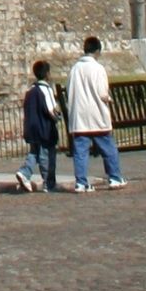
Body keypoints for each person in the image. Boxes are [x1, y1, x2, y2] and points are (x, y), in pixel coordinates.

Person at [66, 37, 125, 191]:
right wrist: (110, 100)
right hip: (97, 114)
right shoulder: (98, 69)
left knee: (80, 152)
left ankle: (81, 182)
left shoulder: (74, 69)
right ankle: (114, 177)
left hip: (79, 116)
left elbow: (69, 91)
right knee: (108, 148)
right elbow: (102, 93)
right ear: (97, 51)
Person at [14, 60, 62, 193]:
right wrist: (58, 118)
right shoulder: (46, 89)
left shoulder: (30, 90)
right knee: (47, 156)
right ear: (47, 74)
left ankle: (24, 172)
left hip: (31, 128)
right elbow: (52, 110)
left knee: (34, 153)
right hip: (45, 129)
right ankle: (49, 183)